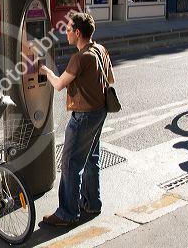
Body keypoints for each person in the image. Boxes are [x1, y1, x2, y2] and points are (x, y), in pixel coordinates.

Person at [39, 12, 115, 226]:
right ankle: (92, 203)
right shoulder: (100, 49)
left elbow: (59, 84)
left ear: (78, 33)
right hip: (100, 112)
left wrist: (46, 71)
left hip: (83, 117)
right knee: (91, 159)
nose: (66, 33)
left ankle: (67, 213)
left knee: (71, 164)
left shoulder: (79, 58)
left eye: (69, 29)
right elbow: (110, 79)